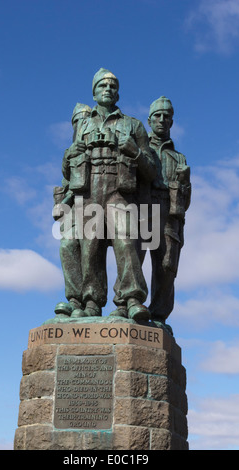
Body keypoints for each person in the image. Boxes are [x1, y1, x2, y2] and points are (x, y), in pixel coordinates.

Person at [66, 68, 157, 321]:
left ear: (118, 92)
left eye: (112, 86)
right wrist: (74, 151)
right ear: (94, 92)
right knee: (90, 249)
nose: (108, 90)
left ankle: (132, 299)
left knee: (126, 241)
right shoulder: (83, 124)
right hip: (90, 189)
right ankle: (92, 301)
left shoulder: (133, 124)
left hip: (119, 191)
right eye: (102, 86)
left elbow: (151, 170)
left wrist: (135, 153)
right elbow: (68, 163)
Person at [145, 96, 191, 324]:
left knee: (166, 266)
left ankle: (158, 316)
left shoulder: (179, 157)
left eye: (167, 116)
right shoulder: (141, 147)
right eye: (157, 116)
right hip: (143, 207)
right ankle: (128, 305)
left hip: (170, 212)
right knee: (132, 258)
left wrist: (185, 182)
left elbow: (187, 203)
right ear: (149, 120)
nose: (162, 120)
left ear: (172, 122)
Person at [53, 103, 91, 317]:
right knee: (67, 246)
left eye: (86, 120)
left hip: (98, 203)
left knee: (91, 250)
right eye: (78, 121)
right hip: (74, 209)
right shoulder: (70, 151)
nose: (82, 125)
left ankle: (90, 302)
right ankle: (75, 299)